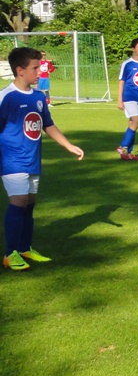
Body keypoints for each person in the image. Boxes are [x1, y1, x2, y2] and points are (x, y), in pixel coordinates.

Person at [0, 47, 83, 270]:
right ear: (20, 70)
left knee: (29, 204)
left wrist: (68, 145)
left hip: (33, 159)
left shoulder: (38, 97)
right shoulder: (6, 97)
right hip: (12, 160)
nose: (40, 71)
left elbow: (48, 124)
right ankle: (10, 253)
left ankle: (25, 248)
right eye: (35, 68)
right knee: (18, 202)